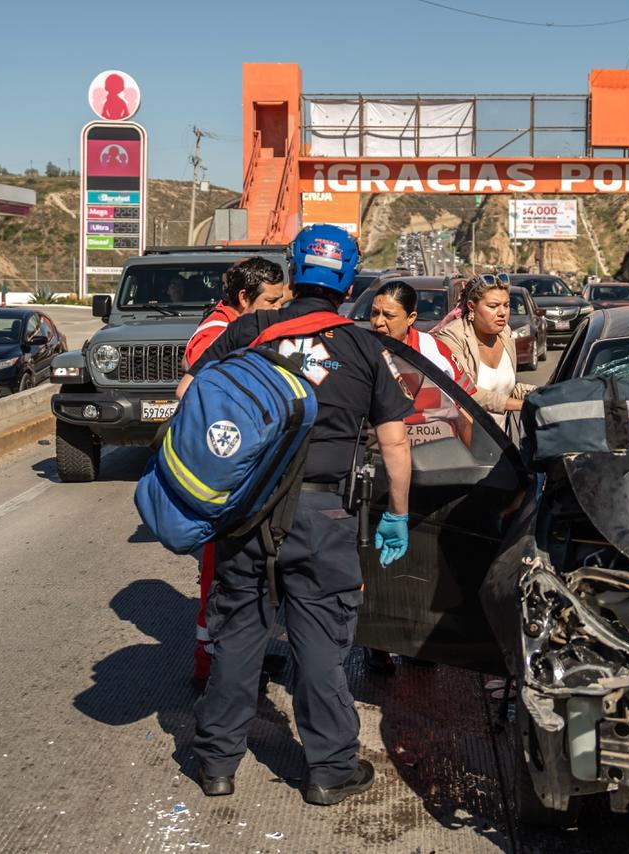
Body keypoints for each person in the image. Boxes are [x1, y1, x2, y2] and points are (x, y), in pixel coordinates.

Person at [182, 225, 415, 807]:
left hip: (248, 511)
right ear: (350, 282)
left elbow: (190, 393)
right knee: (320, 643)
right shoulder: (364, 346)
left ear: (294, 271)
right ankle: (330, 771)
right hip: (323, 514)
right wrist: (398, 514)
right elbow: (395, 442)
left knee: (239, 637)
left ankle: (216, 765)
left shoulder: (252, 329)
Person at [361, 279, 475, 676]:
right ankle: (376, 643)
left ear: (411, 318)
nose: (378, 322)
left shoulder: (433, 351)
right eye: (374, 313)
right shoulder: (363, 348)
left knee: (423, 561)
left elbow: (466, 406)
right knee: (378, 561)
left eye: (388, 316)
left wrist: (469, 461)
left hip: (432, 469)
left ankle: (419, 642)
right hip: (379, 470)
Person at [184, 257, 289, 685]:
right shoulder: (215, 333)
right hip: (225, 477)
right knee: (220, 579)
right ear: (244, 298)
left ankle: (241, 658)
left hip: (239, 472)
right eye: (271, 302)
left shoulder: (237, 325)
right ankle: (211, 668)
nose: (278, 310)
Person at [433, 275, 534, 427]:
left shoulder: (505, 333)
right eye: (493, 306)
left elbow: (504, 388)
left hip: (500, 437)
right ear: (472, 306)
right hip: (463, 436)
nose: (502, 312)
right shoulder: (452, 337)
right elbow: (466, 392)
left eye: (506, 305)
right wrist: (520, 405)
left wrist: (540, 393)